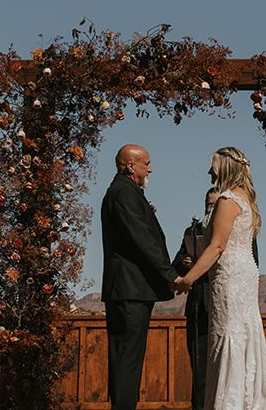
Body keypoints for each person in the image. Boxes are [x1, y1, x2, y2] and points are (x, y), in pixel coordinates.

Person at [173, 147, 266, 409]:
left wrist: (188, 279)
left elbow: (217, 246)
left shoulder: (227, 200)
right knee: (241, 333)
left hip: (230, 277)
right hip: (244, 272)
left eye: (212, 167)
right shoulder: (246, 198)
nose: (209, 172)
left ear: (224, 168)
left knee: (228, 334)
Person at [99, 144, 181, 410]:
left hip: (128, 290)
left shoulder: (126, 192)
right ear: (130, 166)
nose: (150, 168)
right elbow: (141, 238)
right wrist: (170, 275)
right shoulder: (123, 193)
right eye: (146, 163)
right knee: (127, 360)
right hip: (129, 290)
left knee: (125, 359)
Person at [173, 187, 259, 410]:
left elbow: (249, 260)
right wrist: (186, 264)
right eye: (207, 205)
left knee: (228, 362)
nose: (210, 209)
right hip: (199, 304)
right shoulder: (192, 230)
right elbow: (178, 261)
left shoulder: (239, 226)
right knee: (200, 366)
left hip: (227, 300)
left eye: (214, 205)